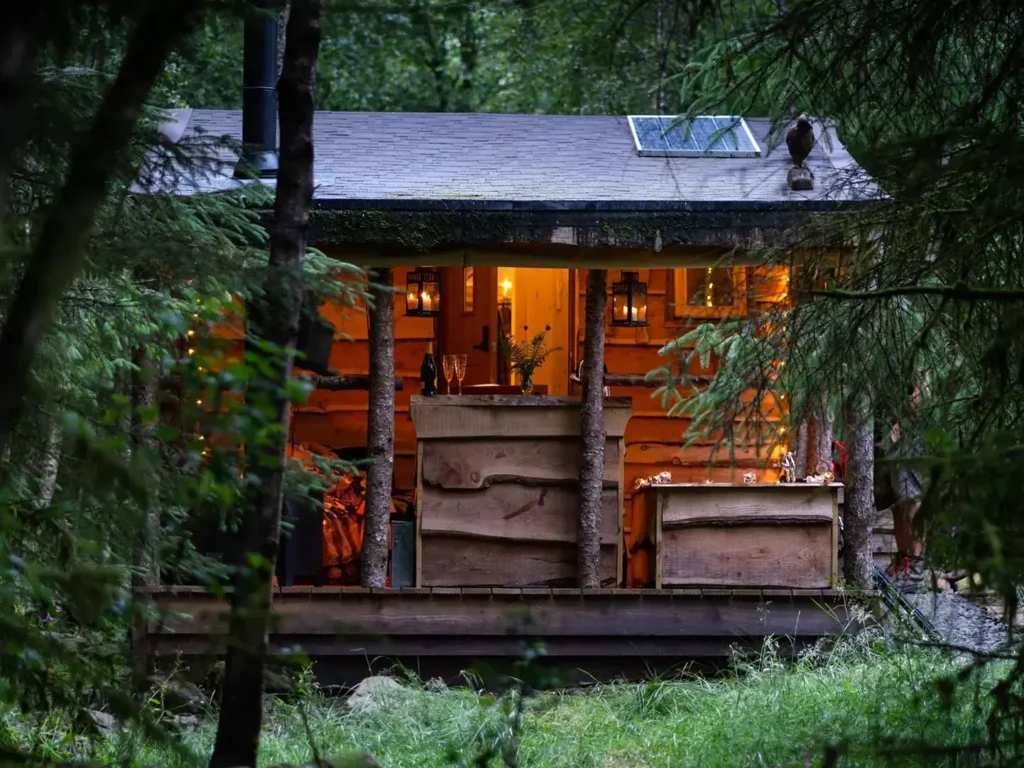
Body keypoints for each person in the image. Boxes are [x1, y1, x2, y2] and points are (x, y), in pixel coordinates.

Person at [887, 376, 927, 593]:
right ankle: (904, 562)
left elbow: (922, 391)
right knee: (899, 505)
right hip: (894, 439)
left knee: (912, 503)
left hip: (912, 438)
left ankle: (916, 568)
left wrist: (904, 421)